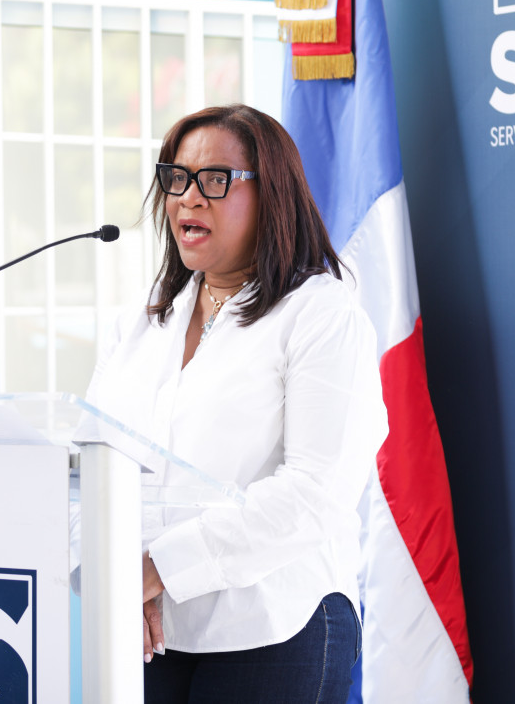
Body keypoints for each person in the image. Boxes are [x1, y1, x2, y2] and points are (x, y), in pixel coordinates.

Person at [84, 105, 386, 703]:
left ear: (272, 195)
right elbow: (90, 465)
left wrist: (155, 570)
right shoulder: (139, 322)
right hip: (152, 627)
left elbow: (315, 492)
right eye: (177, 178)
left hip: (276, 624)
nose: (189, 197)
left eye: (215, 179)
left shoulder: (321, 315)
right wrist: (112, 577)